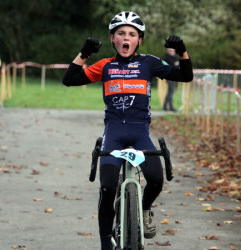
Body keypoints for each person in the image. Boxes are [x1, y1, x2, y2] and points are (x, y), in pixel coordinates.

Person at [62, 11, 193, 250]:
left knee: (155, 180)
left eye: (132, 34)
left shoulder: (149, 63)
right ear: (113, 38)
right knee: (107, 187)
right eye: (121, 33)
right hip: (113, 133)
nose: (126, 38)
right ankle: (105, 243)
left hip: (139, 132)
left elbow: (186, 75)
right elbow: (69, 79)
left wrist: (182, 50)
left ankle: (143, 210)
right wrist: (84, 53)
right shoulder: (105, 65)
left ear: (138, 40)